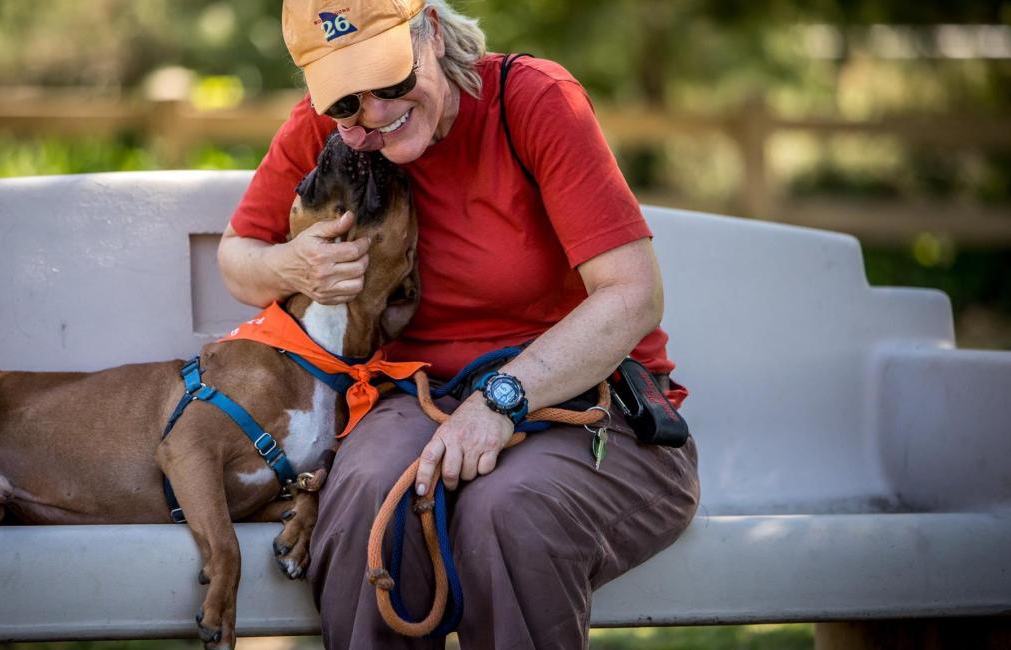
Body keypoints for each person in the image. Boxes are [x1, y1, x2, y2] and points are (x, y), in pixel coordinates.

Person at [217, 1, 699, 647]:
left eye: (390, 83)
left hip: (586, 396)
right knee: (363, 495)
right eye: (346, 100)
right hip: (412, 394)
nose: (375, 113)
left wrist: (501, 399)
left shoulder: (531, 99)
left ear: (435, 35)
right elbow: (239, 260)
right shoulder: (332, 130)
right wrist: (291, 264)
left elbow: (632, 295)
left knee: (510, 511)